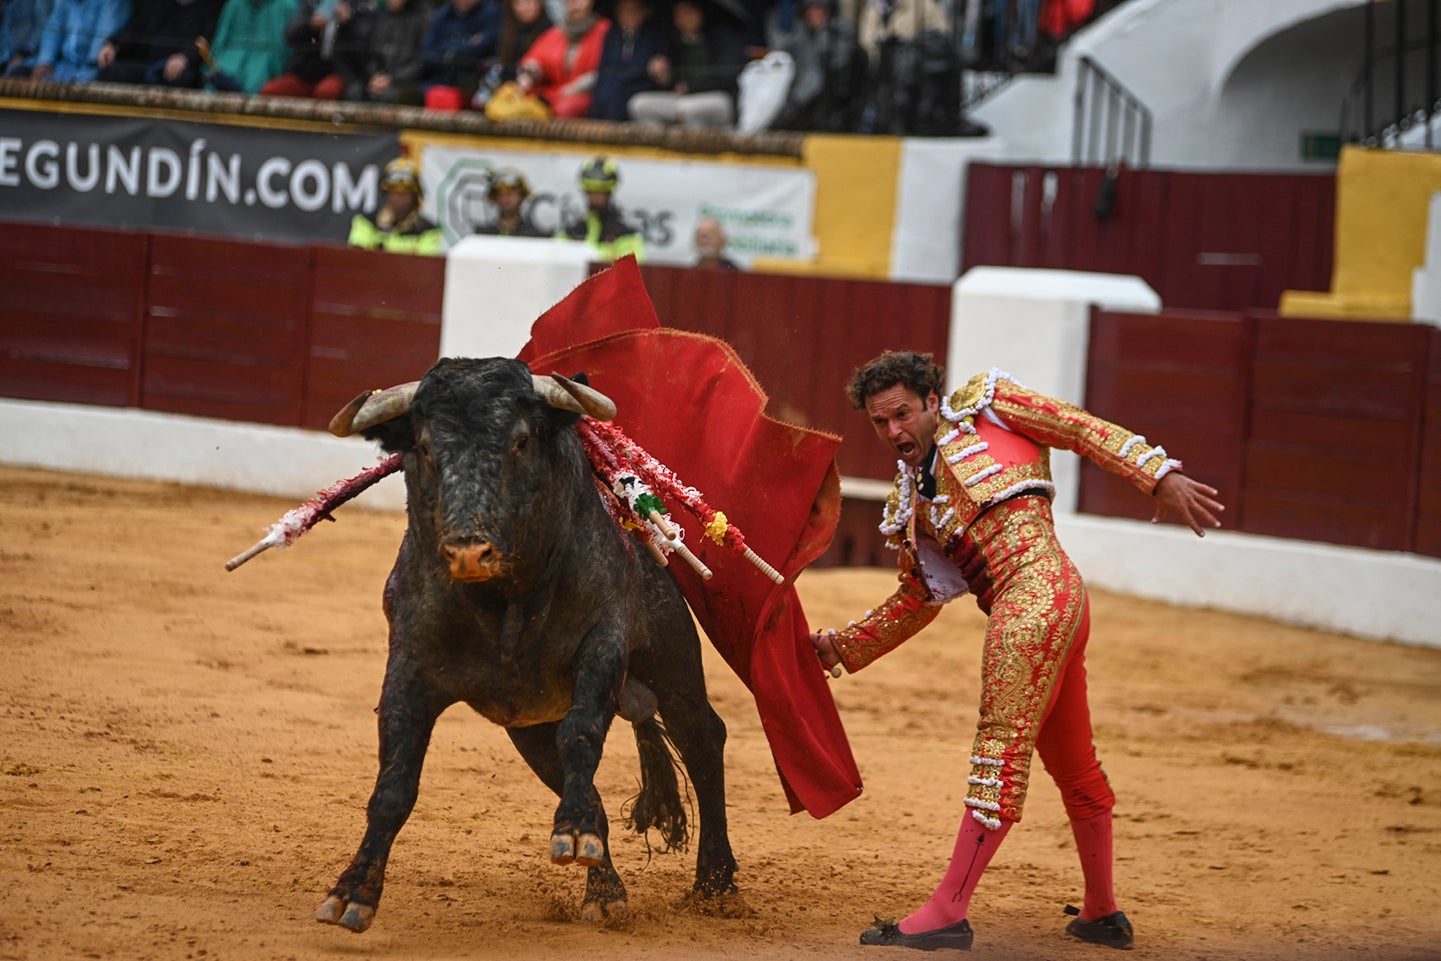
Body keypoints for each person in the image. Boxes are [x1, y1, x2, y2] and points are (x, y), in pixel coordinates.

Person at [812, 352, 1225, 953]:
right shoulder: (912, 505)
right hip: (1051, 609)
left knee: (999, 751)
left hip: (1036, 600)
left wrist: (1156, 474)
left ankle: (948, 910)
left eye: (902, 414)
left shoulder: (991, 409)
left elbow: (1078, 427)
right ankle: (1102, 912)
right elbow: (918, 598)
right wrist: (841, 646)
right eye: (880, 423)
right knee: (1074, 764)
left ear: (932, 400)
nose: (894, 432)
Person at [627, 0, 744, 128]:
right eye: (678, 14)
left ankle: (698, 147)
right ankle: (660, 146)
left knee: (688, 110)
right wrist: (664, 75)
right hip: (683, 100)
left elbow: (727, 77)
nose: (683, 19)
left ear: (700, 12)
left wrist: (691, 88)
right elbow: (674, 82)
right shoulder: (673, 40)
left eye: (687, 13)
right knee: (639, 104)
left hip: (719, 99)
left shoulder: (723, 36)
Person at [772, 0, 864, 133]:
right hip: (800, 114)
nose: (818, 12)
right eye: (813, 8)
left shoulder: (840, 38)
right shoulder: (797, 39)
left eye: (823, 8)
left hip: (835, 114)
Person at [94, 0, 224, 88]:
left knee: (182, 78)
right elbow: (137, 30)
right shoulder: (159, 4)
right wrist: (113, 44)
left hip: (180, 69)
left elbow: (206, 41)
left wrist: (185, 57)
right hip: (148, 64)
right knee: (111, 71)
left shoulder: (211, 7)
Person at [514, 0, 607, 118]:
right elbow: (536, 59)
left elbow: (607, 71)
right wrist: (528, 75)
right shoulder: (555, 33)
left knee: (566, 108)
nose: (575, 3)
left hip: (587, 97)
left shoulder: (605, 31)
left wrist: (577, 87)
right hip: (555, 95)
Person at [259, 0, 363, 99]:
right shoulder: (311, 4)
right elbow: (290, 34)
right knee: (269, 91)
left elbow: (363, 45)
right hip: (304, 73)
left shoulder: (357, 6)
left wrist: (347, 23)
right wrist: (311, 25)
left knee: (326, 93)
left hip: (336, 74)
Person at [348, 156, 444, 255]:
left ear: (414, 196)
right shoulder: (364, 222)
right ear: (386, 193)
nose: (399, 199)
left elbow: (425, 265)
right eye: (394, 192)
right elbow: (357, 259)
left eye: (405, 193)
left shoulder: (428, 230)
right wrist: (384, 229)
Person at [585, 0, 662, 122]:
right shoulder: (612, 34)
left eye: (634, 11)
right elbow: (604, 68)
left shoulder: (654, 36)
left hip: (637, 87)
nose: (629, 16)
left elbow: (654, 71)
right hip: (610, 89)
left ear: (644, 12)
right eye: (623, 11)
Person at [18, 0, 130, 82]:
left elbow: (98, 48)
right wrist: (45, 62)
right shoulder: (64, 2)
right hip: (62, 64)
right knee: (19, 72)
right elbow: (52, 32)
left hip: (90, 68)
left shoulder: (113, 3)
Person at [559, 155, 644, 263]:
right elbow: (556, 259)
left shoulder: (625, 232)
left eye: (600, 192)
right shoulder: (573, 231)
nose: (595, 197)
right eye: (591, 192)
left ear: (609, 192)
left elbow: (631, 272)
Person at [340, 0, 427, 103]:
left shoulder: (421, 20)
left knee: (387, 97)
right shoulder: (381, 19)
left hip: (406, 82)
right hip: (379, 79)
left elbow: (421, 61)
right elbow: (371, 54)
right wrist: (374, 76)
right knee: (354, 92)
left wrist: (392, 79)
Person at [204, 0, 298, 92]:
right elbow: (220, 41)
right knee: (214, 82)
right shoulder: (234, 4)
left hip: (264, 69)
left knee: (255, 84)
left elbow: (285, 54)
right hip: (229, 63)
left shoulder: (287, 6)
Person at [419, 0, 500, 104]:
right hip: (438, 80)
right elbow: (427, 52)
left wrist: (446, 50)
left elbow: (482, 48)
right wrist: (464, 45)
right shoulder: (443, 13)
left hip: (473, 83)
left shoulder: (492, 12)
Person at [474, 166, 547, 237]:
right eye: (501, 194)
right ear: (495, 197)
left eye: (511, 194)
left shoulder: (533, 235)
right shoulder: (483, 234)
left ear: (522, 196)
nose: (506, 199)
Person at [493, 0, 548, 81]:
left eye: (528, 2)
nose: (524, 8)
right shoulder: (505, 27)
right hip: (507, 82)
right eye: (518, 3)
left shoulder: (549, 31)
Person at [1, 0, 56, 77]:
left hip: (30, 58)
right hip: (6, 57)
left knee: (18, 73)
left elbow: (42, 26)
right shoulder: (8, 6)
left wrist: (22, 54)